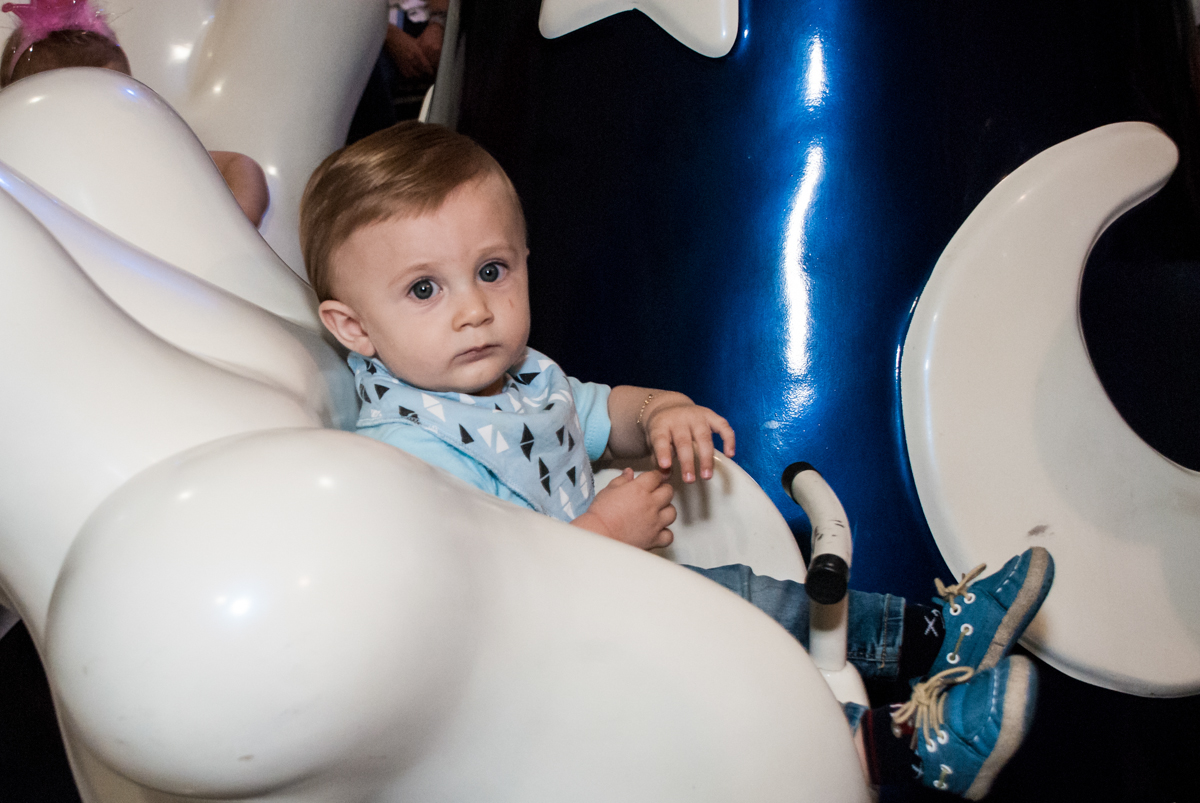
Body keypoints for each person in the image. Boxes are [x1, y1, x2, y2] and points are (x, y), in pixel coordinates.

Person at [299, 121, 1055, 799]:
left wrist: (661, 412)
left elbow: (603, 412)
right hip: (559, 671)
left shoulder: (522, 376)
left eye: (492, 270)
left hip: (619, 596)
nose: (474, 308)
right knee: (737, 665)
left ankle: (931, 634)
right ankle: (894, 747)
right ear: (352, 326)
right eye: (424, 288)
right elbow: (484, 601)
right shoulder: (405, 452)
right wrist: (601, 532)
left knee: (764, 596)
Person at [1, 0, 271, 228]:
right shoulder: (20, 177)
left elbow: (237, 164)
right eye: (75, 118)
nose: (101, 128)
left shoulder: (145, 158)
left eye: (117, 106)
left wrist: (239, 221)